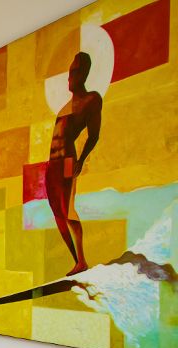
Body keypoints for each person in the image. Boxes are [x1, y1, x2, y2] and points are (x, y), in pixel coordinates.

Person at [46, 52, 102, 276]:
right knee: (58, 212)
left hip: (68, 161)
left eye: (75, 72)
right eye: (70, 72)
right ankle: (77, 261)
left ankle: (82, 260)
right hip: (52, 165)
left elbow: (93, 135)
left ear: (84, 74)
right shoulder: (64, 107)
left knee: (68, 210)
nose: (70, 77)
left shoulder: (91, 100)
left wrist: (81, 159)